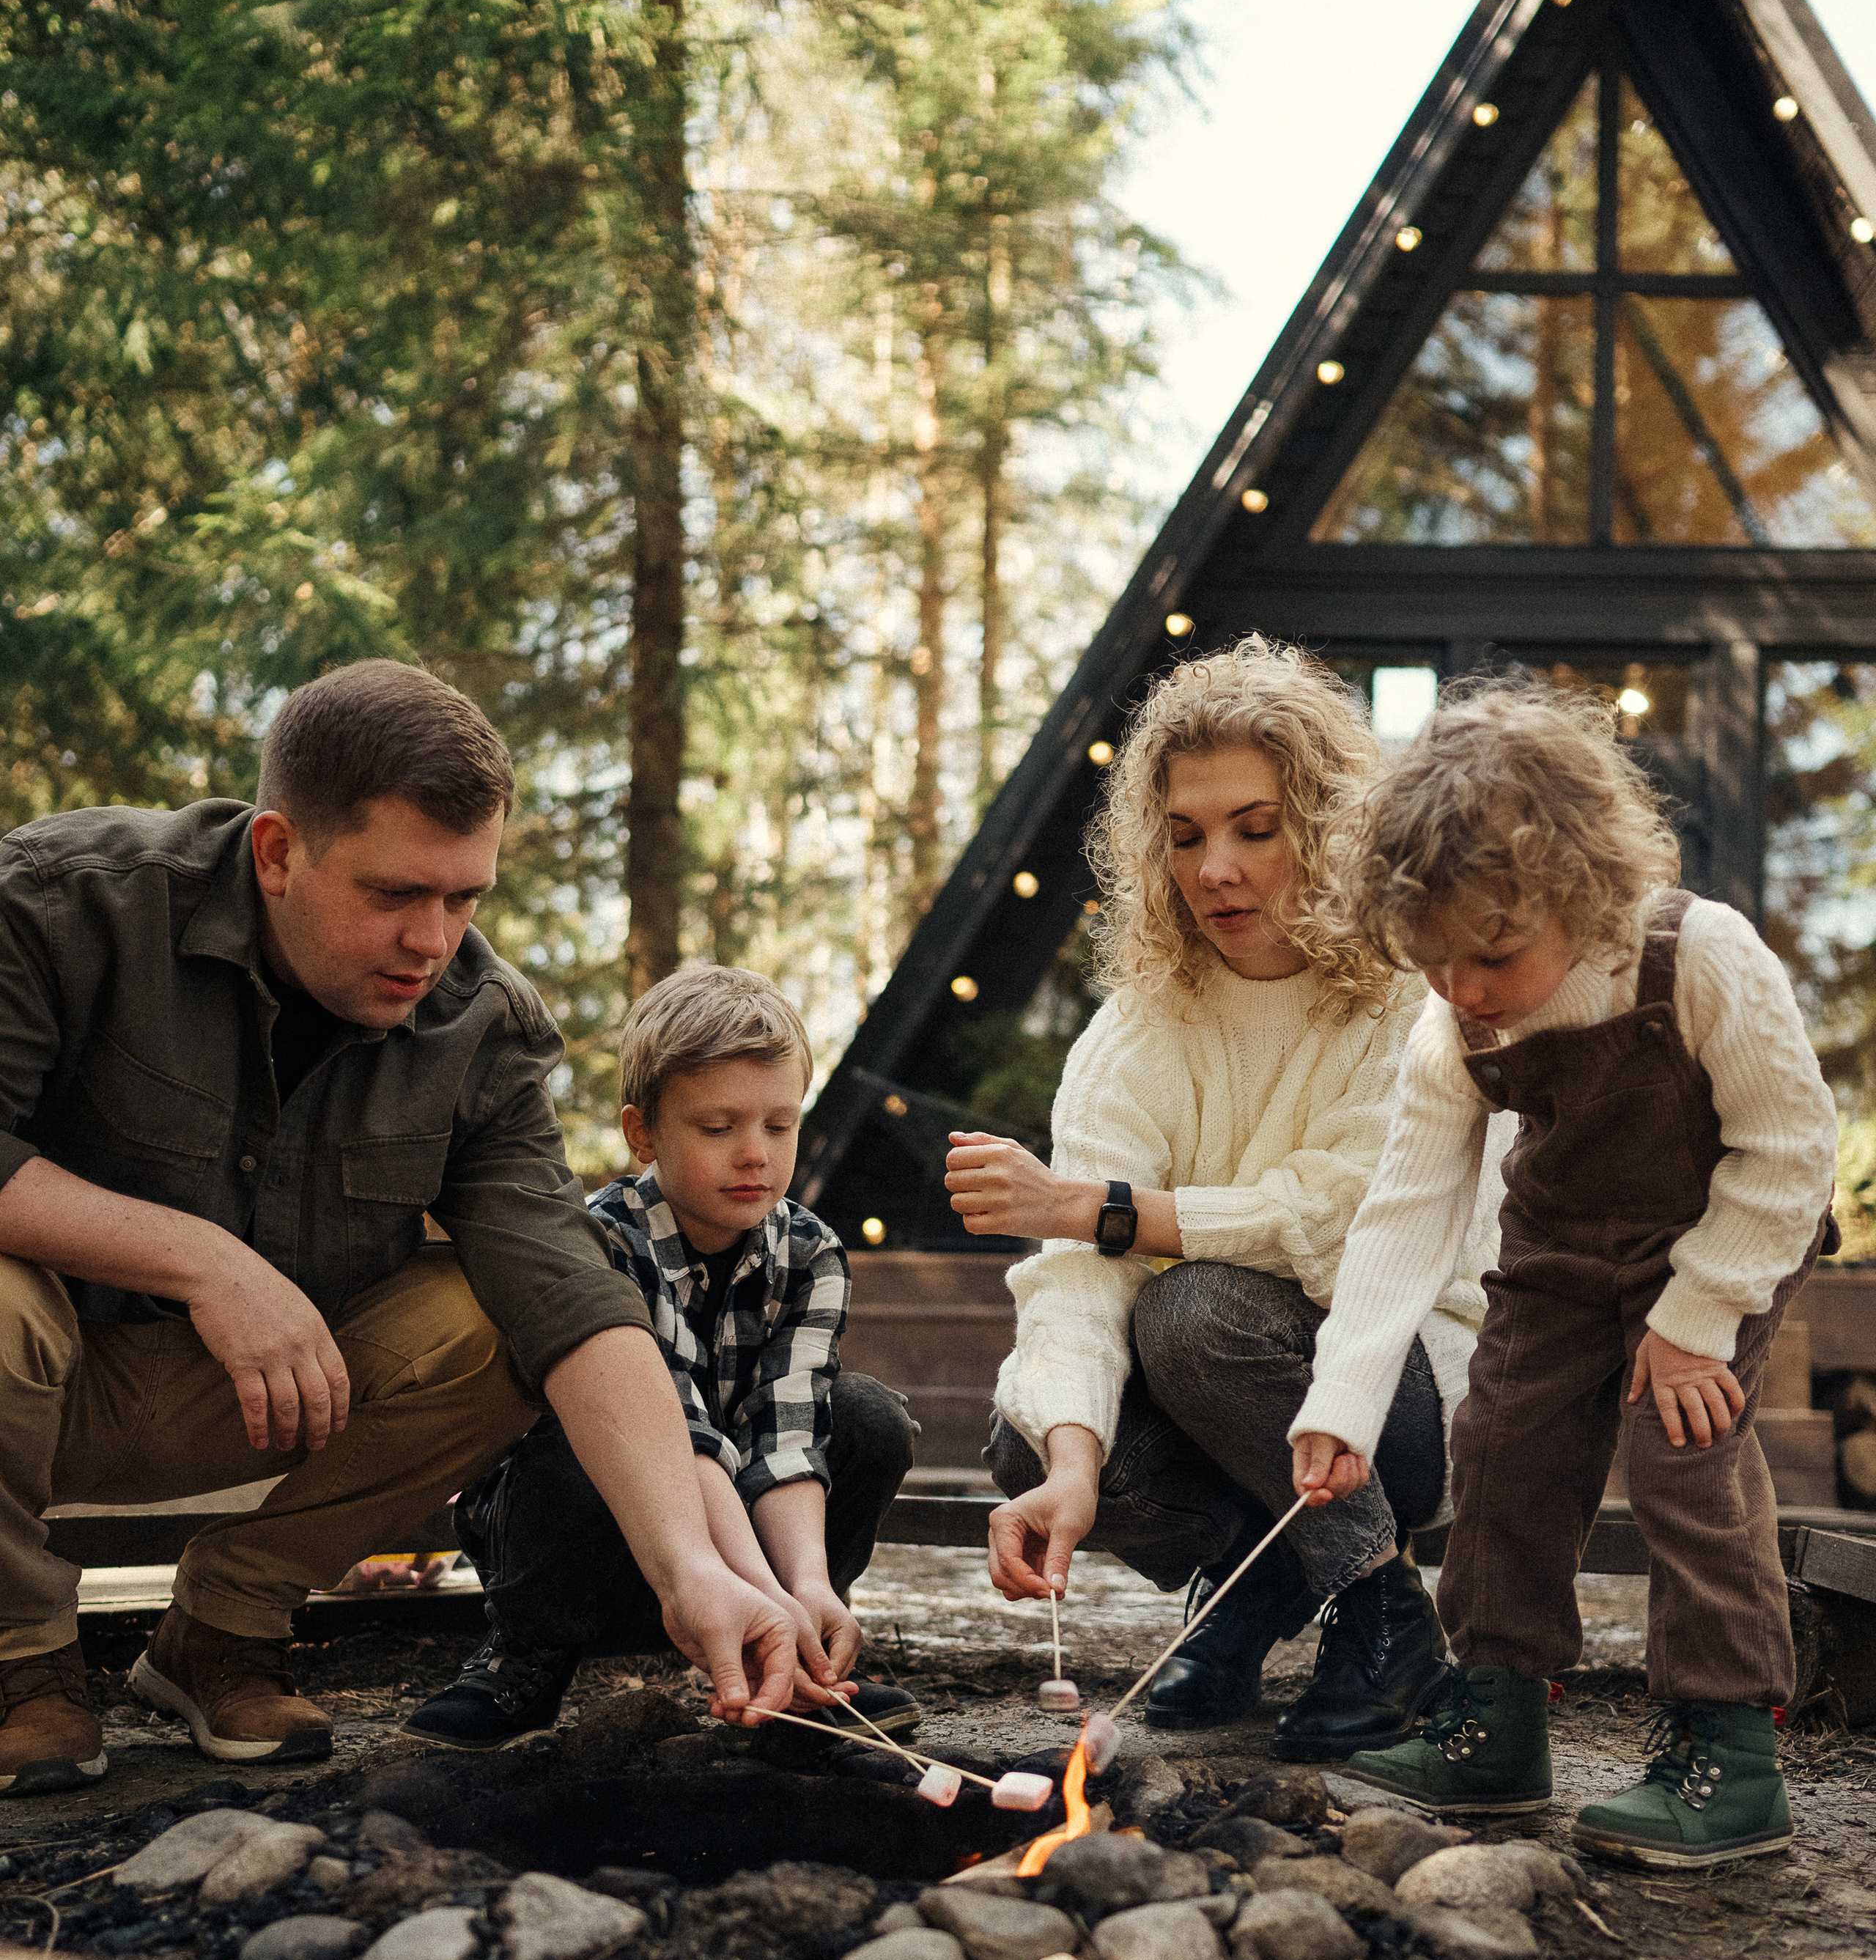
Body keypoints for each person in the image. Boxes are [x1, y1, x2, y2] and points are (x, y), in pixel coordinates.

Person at [0, 660, 803, 1792]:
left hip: (247, 1402)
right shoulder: (61, 901)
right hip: (31, 1373)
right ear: (277, 852)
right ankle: (19, 1662)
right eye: (394, 894)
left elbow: (570, 1301)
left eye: (465, 896)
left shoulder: (482, 1029)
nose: (434, 940)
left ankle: (221, 1634)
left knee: (498, 1321)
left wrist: (688, 1572)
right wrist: (204, 1261)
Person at [1290, 684, 1839, 1868]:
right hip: (1558, 1243)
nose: (1465, 992)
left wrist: (1697, 1315)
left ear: (1581, 886)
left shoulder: (1698, 957)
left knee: (1683, 1450)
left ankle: (1728, 1747)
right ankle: (1495, 1714)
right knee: (1504, 1445)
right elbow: (1405, 1209)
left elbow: (1795, 1146)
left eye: (1490, 955)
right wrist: (1341, 1401)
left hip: (1721, 1233)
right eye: (1432, 962)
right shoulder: (1459, 1027)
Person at [944, 638, 1504, 1757]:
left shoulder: (1409, 1000)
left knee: (1192, 1311)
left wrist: (1111, 1209)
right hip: (1245, 1413)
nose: (1216, 871)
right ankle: (1256, 1589)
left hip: (1401, 1392)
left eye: (1258, 828)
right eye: (1186, 836)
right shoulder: (1136, 1030)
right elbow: (1071, 1275)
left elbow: (1341, 1231)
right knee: (1035, 1430)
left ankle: (1383, 1610)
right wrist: (1068, 1464)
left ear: (1331, 827)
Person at [406, 968, 916, 1748]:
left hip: (736, 1545)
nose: (755, 1155)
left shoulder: (811, 1254)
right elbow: (676, 1431)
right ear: (643, 1134)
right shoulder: (601, 1241)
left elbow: (787, 1432)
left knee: (866, 1417)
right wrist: (749, 1585)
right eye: (718, 1128)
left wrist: (802, 1583)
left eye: (779, 1126)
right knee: (578, 1449)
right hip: (590, 1548)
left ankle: (797, 1650)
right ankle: (527, 1655)